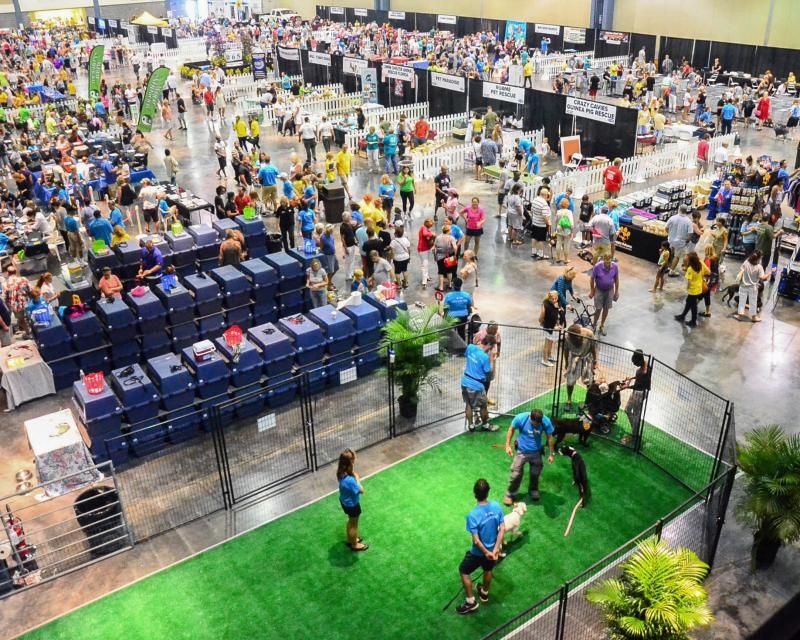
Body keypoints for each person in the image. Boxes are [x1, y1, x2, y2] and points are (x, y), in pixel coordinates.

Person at [456, 478, 505, 616]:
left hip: (478, 553)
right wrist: (495, 550)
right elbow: (502, 529)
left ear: (474, 494)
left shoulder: (473, 515)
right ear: (488, 492)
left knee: (464, 570)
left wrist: (486, 552)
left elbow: (476, 541)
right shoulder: (496, 506)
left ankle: (471, 602)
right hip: (493, 551)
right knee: (488, 569)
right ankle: (484, 593)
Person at [502, 408, 555, 505]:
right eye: (535, 424)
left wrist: (551, 454)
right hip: (521, 452)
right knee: (516, 474)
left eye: (538, 424)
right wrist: (507, 445)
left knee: (535, 473)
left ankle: (533, 490)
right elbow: (511, 429)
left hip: (536, 452)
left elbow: (550, 437)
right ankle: (510, 494)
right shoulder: (521, 418)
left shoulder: (545, 421)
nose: (537, 426)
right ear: (530, 418)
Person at [461, 334, 497, 432]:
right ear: (489, 344)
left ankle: (471, 426)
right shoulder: (485, 357)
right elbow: (489, 372)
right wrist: (492, 358)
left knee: (468, 404)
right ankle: (485, 425)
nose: (491, 349)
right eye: (492, 346)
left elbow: (467, 355)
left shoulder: (470, 347)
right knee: (483, 406)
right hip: (476, 385)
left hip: (465, 381)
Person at [337, 449, 368, 552]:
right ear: (350, 462)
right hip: (352, 505)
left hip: (344, 501)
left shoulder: (341, 473)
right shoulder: (350, 480)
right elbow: (361, 490)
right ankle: (354, 544)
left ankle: (350, 539)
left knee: (350, 521)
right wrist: (358, 479)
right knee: (354, 525)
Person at [563, 323, 597, 412]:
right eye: (573, 338)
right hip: (574, 359)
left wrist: (595, 361)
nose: (575, 339)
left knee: (589, 382)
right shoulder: (568, 338)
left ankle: (588, 402)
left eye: (577, 337)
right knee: (570, 381)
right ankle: (569, 400)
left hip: (587, 359)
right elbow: (566, 350)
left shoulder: (589, 334)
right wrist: (566, 362)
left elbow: (593, 348)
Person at [734, 250, 773, 323]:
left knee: (742, 301)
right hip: (753, 288)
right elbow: (763, 278)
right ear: (759, 258)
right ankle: (754, 317)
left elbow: (741, 270)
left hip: (743, 285)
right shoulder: (759, 267)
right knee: (753, 302)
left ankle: (739, 315)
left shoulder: (746, 262)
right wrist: (770, 272)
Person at [674, 251, 709, 328]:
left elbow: (689, 281)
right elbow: (707, 272)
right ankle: (683, 316)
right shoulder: (699, 265)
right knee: (688, 303)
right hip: (698, 289)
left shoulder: (690, 269)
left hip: (692, 290)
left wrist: (688, 287)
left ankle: (693, 321)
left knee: (693, 306)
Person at [589, 255, 619, 336]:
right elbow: (592, 279)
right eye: (606, 262)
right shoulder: (597, 266)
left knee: (606, 308)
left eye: (609, 262)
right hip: (599, 289)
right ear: (603, 260)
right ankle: (594, 325)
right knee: (598, 309)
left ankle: (602, 326)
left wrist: (616, 292)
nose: (608, 264)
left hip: (609, 290)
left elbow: (616, 279)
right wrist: (592, 291)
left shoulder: (615, 266)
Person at [623, 349, 650, 441]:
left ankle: (634, 435)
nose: (634, 364)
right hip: (637, 391)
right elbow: (639, 376)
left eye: (635, 362)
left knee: (636, 414)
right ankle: (635, 431)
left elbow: (638, 383)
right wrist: (631, 378)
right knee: (627, 410)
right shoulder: (643, 368)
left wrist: (627, 387)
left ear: (639, 360)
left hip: (640, 392)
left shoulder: (646, 368)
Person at [443, 277, 473, 343]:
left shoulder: (448, 296)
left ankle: (451, 347)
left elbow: (445, 308)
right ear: (461, 285)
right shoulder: (466, 295)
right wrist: (467, 314)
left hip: (451, 317)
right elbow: (469, 306)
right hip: (463, 317)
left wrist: (445, 318)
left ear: (453, 285)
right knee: (462, 332)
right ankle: (462, 347)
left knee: (452, 333)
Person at [3, 265, 30, 337]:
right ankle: (32, 330)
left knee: (21, 320)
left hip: (16, 306)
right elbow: (30, 290)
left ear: (8, 273)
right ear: (16, 272)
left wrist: (8, 307)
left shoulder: (5, 284)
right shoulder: (23, 279)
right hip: (27, 303)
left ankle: (28, 333)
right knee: (30, 318)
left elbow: (5, 298)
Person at [540, 290, 564, 366]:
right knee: (547, 343)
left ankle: (549, 356)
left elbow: (557, 315)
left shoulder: (557, 303)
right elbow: (542, 317)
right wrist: (542, 323)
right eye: (552, 299)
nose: (554, 300)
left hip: (555, 327)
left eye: (555, 298)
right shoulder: (545, 304)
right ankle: (545, 359)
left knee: (551, 342)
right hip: (549, 327)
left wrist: (559, 324)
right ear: (549, 298)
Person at [666, 205, 692, 276]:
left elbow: (666, 228)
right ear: (686, 211)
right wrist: (687, 241)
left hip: (671, 240)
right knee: (676, 256)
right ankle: (671, 271)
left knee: (671, 253)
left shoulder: (673, 218)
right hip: (680, 242)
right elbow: (690, 234)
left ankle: (668, 266)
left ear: (679, 209)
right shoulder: (688, 221)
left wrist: (670, 234)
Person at [529, 189, 551, 260]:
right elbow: (545, 216)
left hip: (535, 222)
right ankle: (540, 254)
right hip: (541, 224)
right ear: (545, 195)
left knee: (534, 237)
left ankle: (533, 252)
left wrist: (534, 218)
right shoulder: (544, 203)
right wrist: (548, 223)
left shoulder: (535, 200)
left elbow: (531, 210)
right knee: (540, 240)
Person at [417, 218, 436, 288]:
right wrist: (432, 234)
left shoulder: (426, 228)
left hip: (425, 249)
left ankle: (427, 277)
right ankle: (424, 281)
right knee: (424, 265)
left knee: (426, 264)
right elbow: (425, 234)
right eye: (430, 225)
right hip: (423, 249)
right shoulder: (423, 228)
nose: (431, 226)